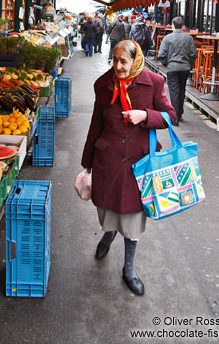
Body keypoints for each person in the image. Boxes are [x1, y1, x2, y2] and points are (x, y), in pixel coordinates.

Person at [81, 40, 176, 296]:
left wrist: (145, 116)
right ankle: (108, 234)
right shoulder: (103, 84)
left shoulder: (154, 82)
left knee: (133, 218)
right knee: (108, 208)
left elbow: (170, 116)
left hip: (139, 162)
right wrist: (87, 161)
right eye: (115, 60)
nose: (118, 66)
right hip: (108, 158)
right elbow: (95, 123)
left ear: (136, 60)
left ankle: (129, 269)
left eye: (124, 61)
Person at [157, 16, 197, 126]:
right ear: (182, 26)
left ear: (173, 26)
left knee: (174, 91)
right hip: (185, 68)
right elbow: (194, 54)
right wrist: (188, 63)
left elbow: (161, 55)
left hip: (173, 68)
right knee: (181, 89)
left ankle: (174, 117)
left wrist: (166, 63)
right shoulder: (188, 38)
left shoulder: (167, 38)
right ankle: (179, 113)